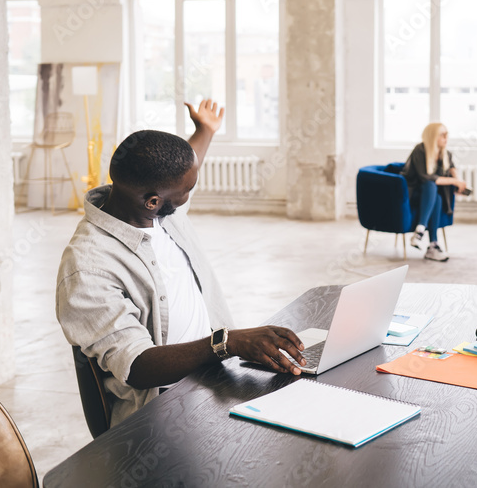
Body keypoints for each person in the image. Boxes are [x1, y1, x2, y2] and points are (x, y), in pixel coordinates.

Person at [56, 99, 307, 427]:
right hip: (163, 411)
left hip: (213, 377)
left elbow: (184, 166)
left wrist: (205, 130)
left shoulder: (157, 212)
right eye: (187, 190)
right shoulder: (87, 268)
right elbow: (136, 365)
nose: (191, 191)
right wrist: (226, 343)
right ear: (154, 201)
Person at [403, 123, 467, 262]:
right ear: (432, 136)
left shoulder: (445, 153)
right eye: (442, 134)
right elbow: (425, 177)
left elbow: (452, 169)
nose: (446, 137)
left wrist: (458, 182)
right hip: (411, 194)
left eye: (447, 134)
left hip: (430, 198)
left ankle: (431, 244)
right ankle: (421, 231)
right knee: (430, 185)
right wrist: (454, 182)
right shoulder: (420, 150)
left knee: (437, 197)